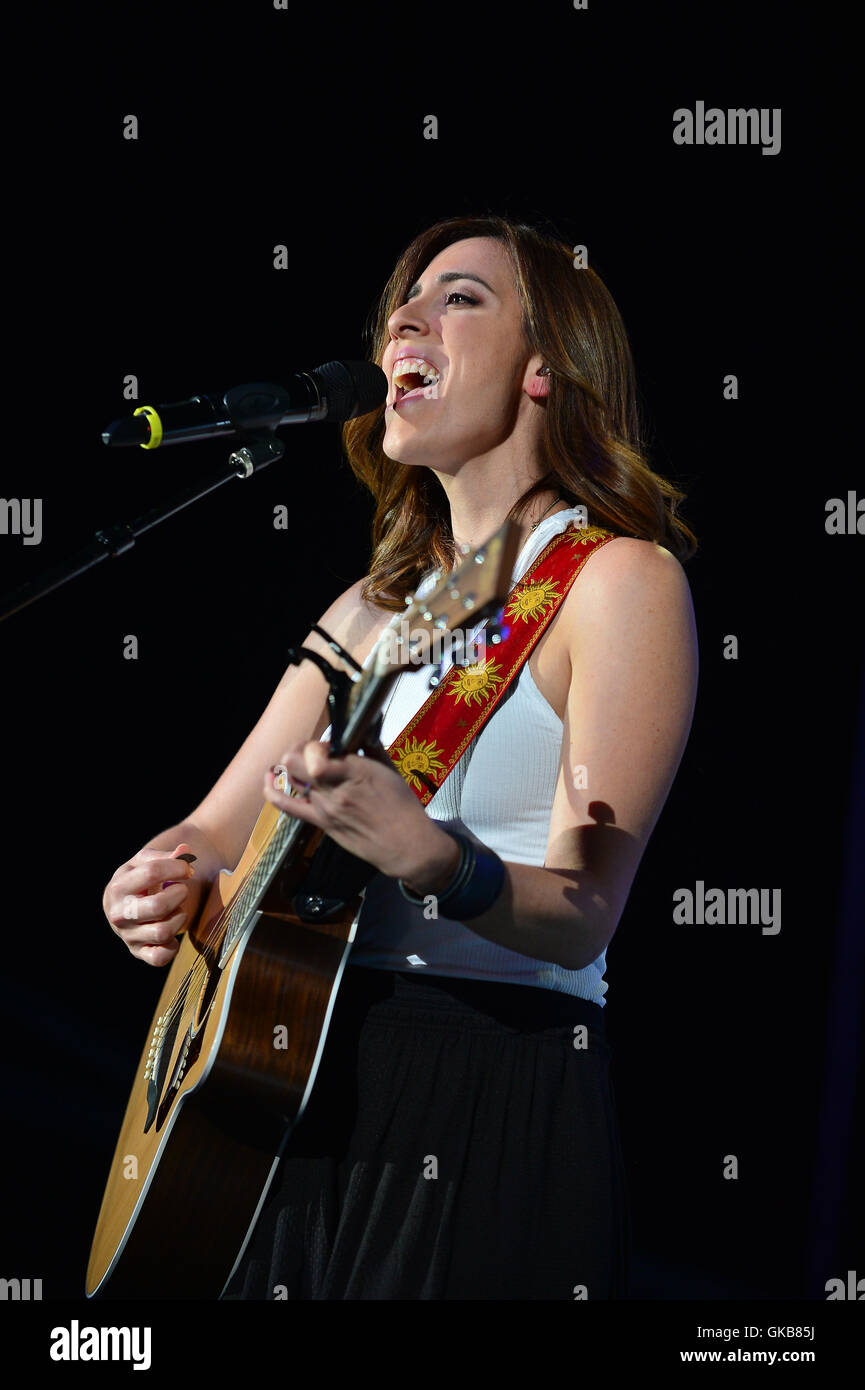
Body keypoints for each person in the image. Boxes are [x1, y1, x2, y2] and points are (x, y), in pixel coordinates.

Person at [102, 214, 698, 1300]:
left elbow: (583, 910)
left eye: (460, 297)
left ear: (544, 368)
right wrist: (158, 879)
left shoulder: (618, 580)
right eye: (400, 306)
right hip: (287, 1089)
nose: (402, 321)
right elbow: (208, 834)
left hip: (483, 1088)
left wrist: (435, 860)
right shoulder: (372, 613)